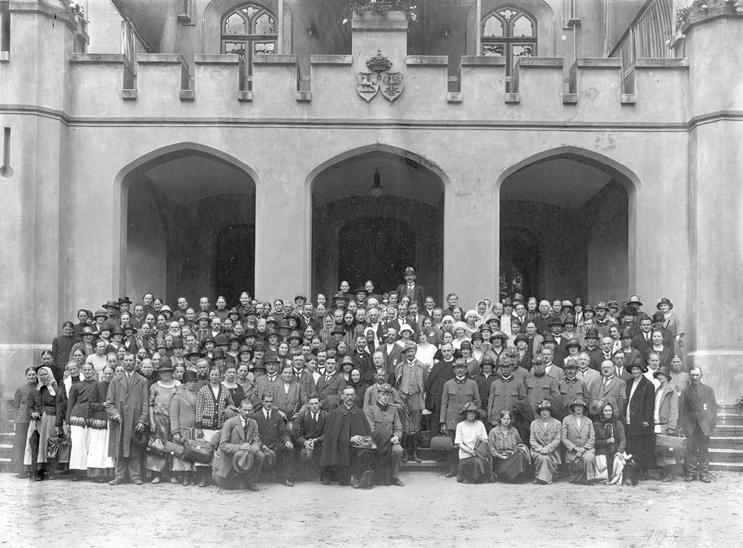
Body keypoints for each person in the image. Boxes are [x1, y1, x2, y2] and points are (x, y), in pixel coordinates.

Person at [106, 353, 149, 485]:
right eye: (126, 360)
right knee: (119, 446)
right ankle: (119, 476)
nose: (129, 363)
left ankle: (135, 476)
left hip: (135, 420)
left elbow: (146, 404)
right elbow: (109, 402)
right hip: (120, 421)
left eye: (131, 360)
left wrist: (142, 420)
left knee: (134, 447)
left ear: (136, 362)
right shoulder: (115, 380)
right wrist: (115, 414)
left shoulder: (142, 381)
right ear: (122, 361)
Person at [320, 386, 375, 488]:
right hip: (341, 450)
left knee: (364, 454)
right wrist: (349, 438)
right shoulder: (336, 414)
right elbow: (332, 436)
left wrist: (361, 438)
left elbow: (367, 433)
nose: (349, 397)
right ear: (342, 397)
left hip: (357, 450)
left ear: (354, 397)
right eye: (347, 395)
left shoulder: (359, 413)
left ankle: (356, 476)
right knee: (343, 482)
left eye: (351, 395)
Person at [195, 366, 235, 487]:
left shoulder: (225, 390)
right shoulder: (203, 390)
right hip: (206, 426)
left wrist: (227, 412)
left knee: (218, 454)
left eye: (217, 375)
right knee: (203, 452)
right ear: (209, 376)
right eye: (212, 375)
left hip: (220, 427)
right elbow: (199, 408)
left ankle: (216, 478)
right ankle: (202, 477)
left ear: (220, 376)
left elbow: (232, 406)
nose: (214, 377)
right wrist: (198, 427)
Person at [440, 358, 480, 477]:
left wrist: (470, 408)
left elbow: (478, 402)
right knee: (452, 446)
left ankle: (465, 469)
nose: (460, 370)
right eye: (457, 368)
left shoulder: (472, 384)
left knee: (467, 444)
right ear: (454, 369)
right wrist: (442, 422)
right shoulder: (448, 384)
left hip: (467, 420)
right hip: (451, 420)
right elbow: (444, 403)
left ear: (466, 369)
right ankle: (453, 468)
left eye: (462, 367)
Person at [212, 399, 264, 491]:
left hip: (245, 457)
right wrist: (240, 447)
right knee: (229, 486)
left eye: (249, 410)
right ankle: (221, 476)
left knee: (260, 455)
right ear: (239, 409)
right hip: (230, 458)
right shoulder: (230, 423)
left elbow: (257, 441)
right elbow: (223, 445)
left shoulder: (253, 423)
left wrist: (250, 449)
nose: (247, 413)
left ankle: (250, 481)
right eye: (245, 410)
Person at [25, 366, 65, 481]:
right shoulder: (34, 391)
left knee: (50, 445)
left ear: (50, 375)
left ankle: (50, 471)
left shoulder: (56, 390)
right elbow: (29, 408)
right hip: (37, 422)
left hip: (51, 420)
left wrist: (58, 424)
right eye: (41, 375)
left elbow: (59, 407)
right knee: (37, 446)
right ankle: (37, 471)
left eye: (45, 374)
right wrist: (32, 413)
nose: (43, 377)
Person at [678, 366, 718, 483]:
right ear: (689, 376)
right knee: (690, 450)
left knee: (704, 451)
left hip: (704, 425)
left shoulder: (708, 390)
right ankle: (691, 473)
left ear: (701, 376)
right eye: (692, 375)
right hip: (690, 426)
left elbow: (713, 409)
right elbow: (682, 410)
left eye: (697, 375)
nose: (694, 377)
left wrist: (712, 425)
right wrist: (681, 425)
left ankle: (703, 473)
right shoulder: (685, 391)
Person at [145, 357, 181, 484]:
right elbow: (150, 404)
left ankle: (171, 474)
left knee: (172, 446)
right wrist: (152, 421)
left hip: (173, 420)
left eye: (167, 371)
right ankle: (157, 474)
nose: (165, 374)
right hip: (158, 419)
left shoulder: (178, 385)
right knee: (157, 447)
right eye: (162, 372)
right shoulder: (154, 386)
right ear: (159, 373)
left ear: (172, 372)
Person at [65, 362, 101, 481]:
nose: (87, 372)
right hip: (77, 416)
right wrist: (68, 421)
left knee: (90, 444)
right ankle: (76, 472)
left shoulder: (98, 385)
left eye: (89, 370)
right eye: (85, 370)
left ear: (93, 371)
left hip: (92, 417)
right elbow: (70, 404)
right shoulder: (76, 386)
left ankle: (88, 471)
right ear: (82, 371)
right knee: (78, 444)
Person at [364, 383, 405, 486]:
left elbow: (398, 428)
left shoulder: (393, 409)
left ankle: (394, 477)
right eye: (383, 394)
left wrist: (396, 437)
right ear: (378, 395)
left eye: (388, 395)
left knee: (398, 450)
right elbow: (371, 429)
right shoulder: (370, 409)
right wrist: (388, 438)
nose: (386, 397)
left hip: (391, 441)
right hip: (376, 441)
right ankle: (375, 476)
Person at [252, 393, 295, 487]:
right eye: (266, 402)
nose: (268, 404)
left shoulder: (278, 416)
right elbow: (253, 435)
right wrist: (261, 445)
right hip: (261, 444)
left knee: (289, 448)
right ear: (262, 402)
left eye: (271, 402)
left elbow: (283, 432)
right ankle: (255, 478)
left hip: (274, 443)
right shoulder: (255, 416)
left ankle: (285, 477)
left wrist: (287, 441)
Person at [395, 340, 426, 462]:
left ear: (416, 352)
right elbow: (396, 382)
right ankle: (405, 453)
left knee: (416, 426)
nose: (410, 354)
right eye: (407, 351)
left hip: (416, 397)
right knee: (403, 426)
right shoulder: (400, 366)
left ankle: (415, 453)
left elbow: (425, 383)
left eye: (412, 351)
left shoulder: (421, 366)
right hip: (402, 397)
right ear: (404, 353)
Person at [625, 362, 655, 484]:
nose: (635, 372)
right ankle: (632, 471)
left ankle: (642, 471)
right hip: (629, 419)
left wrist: (646, 420)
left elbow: (649, 404)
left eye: (637, 369)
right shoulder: (629, 383)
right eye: (633, 370)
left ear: (642, 370)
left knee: (642, 448)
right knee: (632, 446)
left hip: (641, 421)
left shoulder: (648, 385)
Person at [86, 365, 115, 482]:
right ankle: (97, 473)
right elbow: (91, 404)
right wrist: (103, 405)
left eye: (110, 373)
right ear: (102, 374)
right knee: (98, 448)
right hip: (100, 420)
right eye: (106, 374)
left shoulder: (116, 385)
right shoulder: (97, 385)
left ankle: (109, 473)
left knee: (109, 447)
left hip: (112, 420)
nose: (108, 376)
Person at [170, 369, 199, 485]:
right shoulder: (178, 396)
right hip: (183, 430)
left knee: (193, 453)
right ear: (184, 383)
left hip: (194, 430)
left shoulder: (197, 395)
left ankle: (192, 475)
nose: (192, 384)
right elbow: (173, 414)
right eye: (189, 381)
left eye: (193, 381)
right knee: (183, 453)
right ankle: (184, 476)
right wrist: (175, 432)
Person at [561, 397, 597, 484]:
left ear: (584, 408)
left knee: (589, 458)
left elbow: (592, 438)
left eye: (580, 406)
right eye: (576, 406)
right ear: (573, 407)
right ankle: (578, 478)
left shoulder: (588, 421)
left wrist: (584, 449)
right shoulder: (566, 420)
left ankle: (590, 479)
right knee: (575, 471)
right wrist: (575, 448)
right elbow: (564, 438)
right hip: (573, 451)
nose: (578, 408)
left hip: (586, 449)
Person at [489, 409, 530, 483]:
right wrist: (501, 456)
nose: (506, 421)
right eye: (504, 419)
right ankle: (513, 477)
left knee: (521, 454)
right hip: (501, 460)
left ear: (511, 420)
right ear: (500, 419)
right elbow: (491, 449)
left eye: (508, 419)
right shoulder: (494, 431)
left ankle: (516, 476)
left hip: (513, 457)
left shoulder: (514, 431)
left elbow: (520, 444)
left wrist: (514, 452)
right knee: (505, 468)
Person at [453, 402, 490, 483]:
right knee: (476, 463)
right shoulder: (460, 425)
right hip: (465, 455)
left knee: (478, 462)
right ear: (465, 413)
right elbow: (459, 443)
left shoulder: (480, 424)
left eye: (474, 412)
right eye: (470, 412)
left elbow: (485, 440)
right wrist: (470, 451)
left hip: (479, 454)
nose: (472, 414)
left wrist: (479, 443)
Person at [653, 366, 679, 481]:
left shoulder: (671, 390)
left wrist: (672, 426)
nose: (660, 377)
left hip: (666, 424)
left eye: (662, 375)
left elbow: (674, 409)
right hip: (658, 424)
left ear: (667, 376)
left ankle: (670, 474)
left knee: (669, 449)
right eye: (658, 375)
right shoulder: (658, 390)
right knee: (660, 449)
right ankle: (663, 472)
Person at [293, 396, 326, 481]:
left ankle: (325, 475)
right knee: (304, 452)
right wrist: (305, 442)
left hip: (320, 443)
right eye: (311, 404)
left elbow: (328, 433)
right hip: (305, 443)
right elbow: (296, 433)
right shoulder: (302, 416)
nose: (314, 406)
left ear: (320, 404)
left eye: (316, 403)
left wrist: (316, 440)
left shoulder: (326, 415)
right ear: (308, 405)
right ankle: (304, 475)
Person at [529, 399, 562, 485]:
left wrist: (547, 449)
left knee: (546, 457)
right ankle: (544, 478)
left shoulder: (557, 423)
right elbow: (532, 440)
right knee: (543, 458)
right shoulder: (534, 423)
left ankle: (539, 477)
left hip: (552, 451)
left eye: (546, 410)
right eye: (542, 410)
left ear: (550, 412)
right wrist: (540, 449)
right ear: (539, 412)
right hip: (537, 451)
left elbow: (557, 440)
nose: (544, 413)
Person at [12, 367, 37, 477]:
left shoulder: (39, 387)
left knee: (33, 444)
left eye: (33, 374)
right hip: (22, 419)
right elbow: (16, 406)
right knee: (21, 444)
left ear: (36, 375)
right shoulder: (21, 389)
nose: (31, 376)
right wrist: (16, 419)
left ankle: (32, 469)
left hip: (34, 418)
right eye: (29, 375)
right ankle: (21, 470)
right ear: (26, 376)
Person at [593, 401, 626, 481]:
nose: (608, 413)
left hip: (615, 450)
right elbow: (594, 442)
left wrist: (620, 451)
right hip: (602, 451)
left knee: (619, 460)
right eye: (605, 410)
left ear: (612, 411)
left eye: (610, 410)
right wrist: (606, 441)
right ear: (602, 412)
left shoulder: (618, 424)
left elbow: (622, 439)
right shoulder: (596, 425)